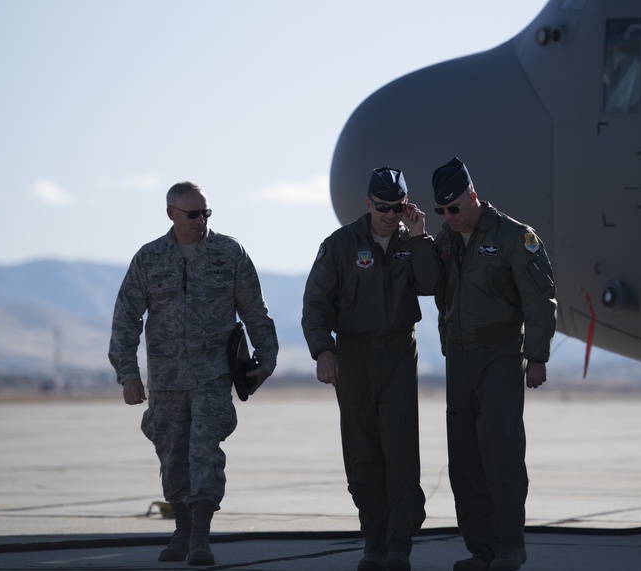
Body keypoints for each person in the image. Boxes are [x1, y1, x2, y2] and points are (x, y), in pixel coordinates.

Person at [108, 181, 279, 567]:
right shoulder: (150, 259)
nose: (201, 220)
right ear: (171, 213)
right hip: (166, 381)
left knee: (204, 453)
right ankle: (182, 530)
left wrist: (266, 359)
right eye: (193, 214)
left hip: (213, 376)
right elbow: (126, 318)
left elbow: (255, 310)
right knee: (172, 457)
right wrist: (128, 373)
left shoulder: (229, 253)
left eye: (206, 213)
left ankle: (200, 536)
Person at [302, 167, 441, 571]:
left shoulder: (409, 241)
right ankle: (373, 543)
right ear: (368, 204)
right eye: (383, 207)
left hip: (398, 350)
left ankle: (398, 544)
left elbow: (432, 285)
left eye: (397, 207)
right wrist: (322, 351)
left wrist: (419, 238)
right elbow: (316, 303)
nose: (389, 214)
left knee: (400, 449)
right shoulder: (342, 244)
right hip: (354, 355)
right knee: (363, 453)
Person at [430, 158, 557, 571]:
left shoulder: (513, 237)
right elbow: (438, 292)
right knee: (464, 459)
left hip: (500, 354)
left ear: (472, 197)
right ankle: (480, 550)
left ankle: (509, 548)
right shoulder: (447, 242)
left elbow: (539, 299)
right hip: (460, 359)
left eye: (454, 209)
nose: (448, 218)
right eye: (441, 211)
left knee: (500, 452)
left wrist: (536, 356)